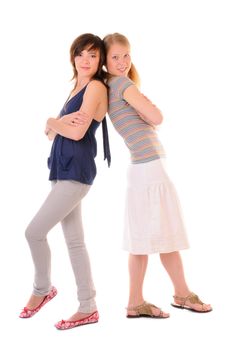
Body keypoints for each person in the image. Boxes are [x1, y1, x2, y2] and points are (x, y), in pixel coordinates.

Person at [103, 33, 212, 318]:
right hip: (150, 169)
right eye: (115, 56)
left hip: (140, 170)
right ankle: (182, 294)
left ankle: (136, 301)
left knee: (143, 239)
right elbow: (157, 117)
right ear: (104, 60)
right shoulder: (124, 85)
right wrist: (149, 107)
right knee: (167, 235)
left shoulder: (110, 87)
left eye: (126, 55)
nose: (123, 62)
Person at [19, 33, 111, 330]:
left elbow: (74, 133)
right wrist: (54, 125)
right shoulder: (77, 87)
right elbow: (52, 133)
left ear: (100, 61)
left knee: (34, 232)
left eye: (93, 55)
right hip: (61, 170)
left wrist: (51, 121)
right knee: (75, 242)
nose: (85, 60)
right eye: (80, 54)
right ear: (73, 57)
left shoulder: (96, 86)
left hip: (76, 171)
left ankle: (42, 290)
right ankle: (88, 306)